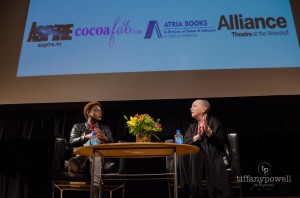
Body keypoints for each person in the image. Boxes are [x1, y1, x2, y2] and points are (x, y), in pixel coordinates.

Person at [179, 99, 232, 198]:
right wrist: (196, 137)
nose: (191, 108)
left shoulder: (214, 122)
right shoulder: (192, 125)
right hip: (196, 160)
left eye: (194, 106)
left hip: (212, 155)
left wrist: (209, 132)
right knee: (187, 153)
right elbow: (185, 141)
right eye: (191, 106)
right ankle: (190, 189)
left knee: (196, 152)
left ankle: (195, 192)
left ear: (204, 109)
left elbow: (220, 141)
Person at [68, 101, 114, 186]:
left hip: (100, 155)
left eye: (101, 111)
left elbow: (113, 145)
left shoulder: (105, 128)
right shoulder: (77, 127)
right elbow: (72, 141)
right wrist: (85, 137)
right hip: (85, 153)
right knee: (95, 152)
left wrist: (105, 138)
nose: (100, 113)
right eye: (97, 111)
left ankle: (78, 161)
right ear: (88, 113)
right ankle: (96, 189)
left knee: (97, 140)